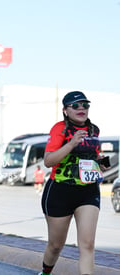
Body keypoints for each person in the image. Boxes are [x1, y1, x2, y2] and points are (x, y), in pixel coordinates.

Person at [39, 91, 109, 275]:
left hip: (88, 191)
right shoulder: (59, 129)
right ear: (65, 110)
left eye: (85, 105)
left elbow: (96, 156)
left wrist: (103, 163)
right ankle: (46, 271)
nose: (81, 108)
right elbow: (48, 161)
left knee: (87, 244)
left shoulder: (94, 129)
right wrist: (71, 144)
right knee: (56, 245)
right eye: (75, 105)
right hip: (60, 191)